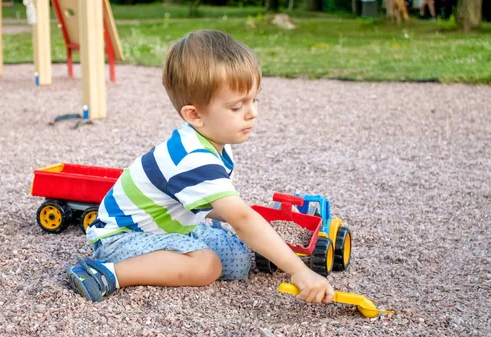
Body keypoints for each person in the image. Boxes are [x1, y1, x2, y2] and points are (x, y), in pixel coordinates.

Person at [66, 29, 335, 305]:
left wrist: (241, 216)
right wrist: (298, 270)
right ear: (194, 115)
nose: (253, 112)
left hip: (166, 228)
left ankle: (177, 253)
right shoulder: (192, 158)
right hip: (122, 238)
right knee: (207, 266)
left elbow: (214, 205)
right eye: (237, 107)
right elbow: (241, 219)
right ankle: (107, 274)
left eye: (254, 100)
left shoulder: (215, 141)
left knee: (240, 261)